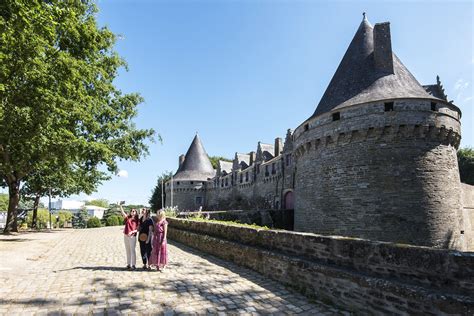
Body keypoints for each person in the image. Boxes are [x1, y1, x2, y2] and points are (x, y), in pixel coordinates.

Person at [119, 203, 139, 270]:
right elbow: (123, 213)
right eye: (131, 211)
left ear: (136, 212)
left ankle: (133, 265)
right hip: (126, 235)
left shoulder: (137, 219)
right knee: (127, 250)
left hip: (132, 236)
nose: (132, 212)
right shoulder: (128, 218)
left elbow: (138, 229)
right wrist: (120, 206)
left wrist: (132, 232)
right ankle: (128, 264)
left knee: (132, 250)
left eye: (134, 211)